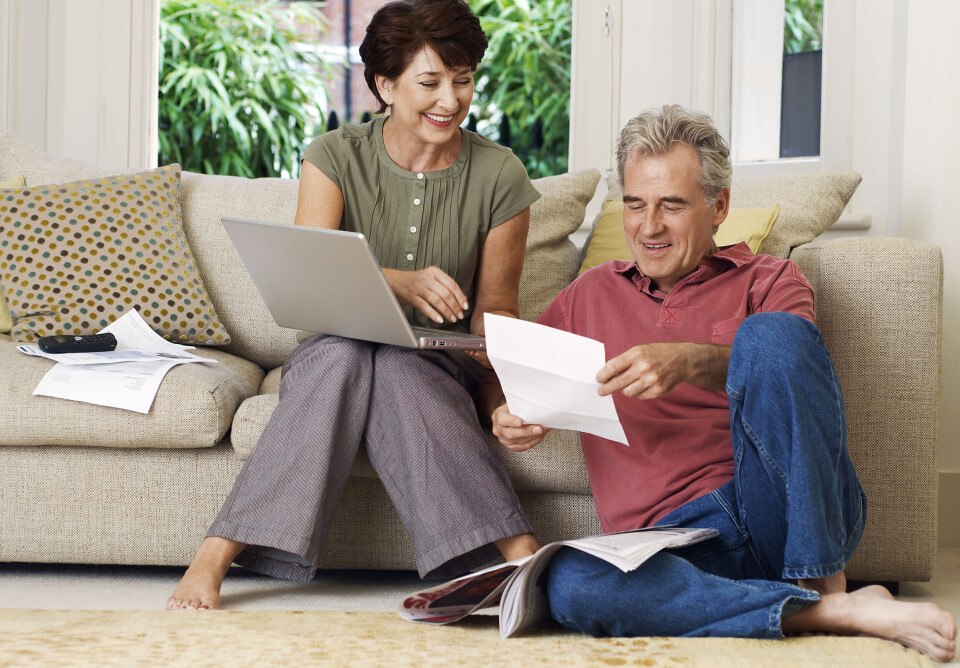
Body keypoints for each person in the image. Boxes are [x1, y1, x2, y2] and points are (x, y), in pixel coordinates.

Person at [487, 104, 957, 662]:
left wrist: (692, 361)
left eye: (672, 205)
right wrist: (505, 409)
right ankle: (828, 611)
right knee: (564, 581)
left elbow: (794, 371)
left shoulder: (770, 279)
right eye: (635, 205)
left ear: (719, 206)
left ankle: (822, 581)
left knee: (771, 337)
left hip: (774, 505)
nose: (649, 226)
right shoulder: (590, 294)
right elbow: (509, 370)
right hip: (669, 543)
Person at [167, 0, 541, 611]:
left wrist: (503, 399)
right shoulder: (335, 155)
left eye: (463, 79)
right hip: (333, 344)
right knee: (343, 356)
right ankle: (517, 550)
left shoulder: (501, 175)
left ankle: (516, 557)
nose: (450, 98)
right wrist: (399, 281)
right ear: (384, 84)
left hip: (435, 359)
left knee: (398, 366)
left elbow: (494, 317)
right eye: (430, 81)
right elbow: (313, 281)